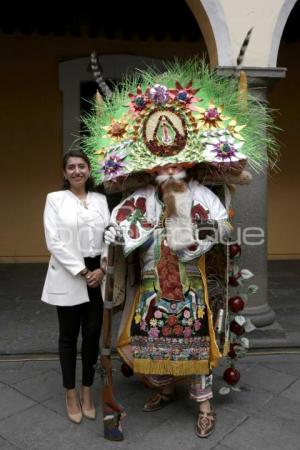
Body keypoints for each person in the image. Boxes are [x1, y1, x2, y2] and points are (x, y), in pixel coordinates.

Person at [104, 163, 231, 437]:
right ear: (154, 170)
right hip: (153, 281)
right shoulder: (143, 197)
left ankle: (205, 408)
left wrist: (205, 233)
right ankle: (166, 388)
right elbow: (121, 222)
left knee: (195, 342)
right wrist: (117, 233)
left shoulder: (201, 195)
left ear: (186, 167)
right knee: (151, 337)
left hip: (192, 283)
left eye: (177, 165)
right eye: (165, 166)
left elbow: (223, 225)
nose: (171, 170)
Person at [41, 149, 110, 424]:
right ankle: (70, 393)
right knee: (69, 336)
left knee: (92, 335)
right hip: (71, 271)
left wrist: (102, 268)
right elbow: (54, 240)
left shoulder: (101, 199)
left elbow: (110, 236)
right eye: (71, 167)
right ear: (64, 173)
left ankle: (87, 391)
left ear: (89, 170)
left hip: (98, 273)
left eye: (82, 166)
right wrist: (83, 271)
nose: (77, 171)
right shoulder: (54, 199)